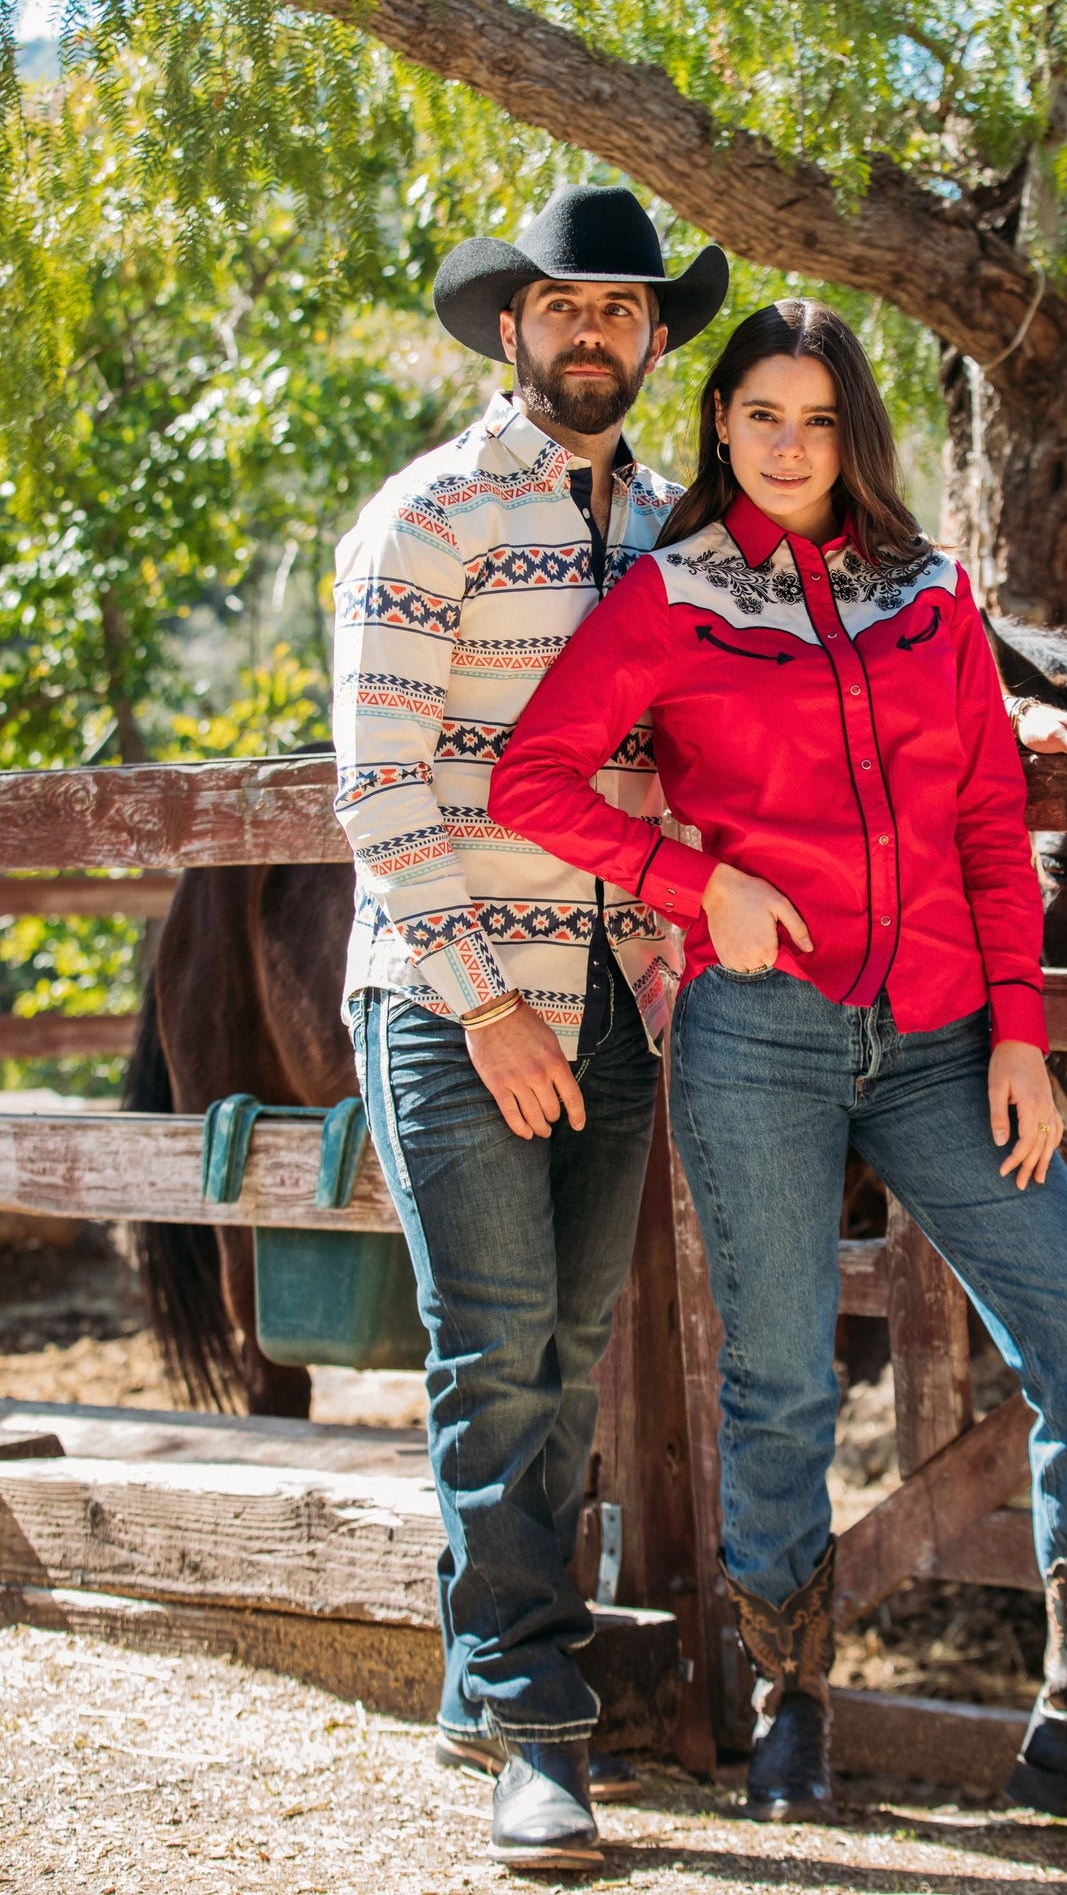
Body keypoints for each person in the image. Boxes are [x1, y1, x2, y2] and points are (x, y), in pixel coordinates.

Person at [489, 299, 1067, 1860]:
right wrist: (692, 887)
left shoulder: (932, 596)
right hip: (759, 1040)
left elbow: (978, 819)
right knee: (781, 1382)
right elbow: (532, 776)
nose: (787, 445)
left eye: (818, 420)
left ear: (855, 437)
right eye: (759, 415)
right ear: (722, 428)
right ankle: (787, 1714)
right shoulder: (665, 598)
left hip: (949, 1044)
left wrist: (1022, 1031)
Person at [331, 183, 729, 1870]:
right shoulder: (425, 519)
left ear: (651, 339)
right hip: (450, 990)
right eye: (566, 306)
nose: (594, 334)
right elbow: (379, 784)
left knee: (566, 1349)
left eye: (624, 311)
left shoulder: (668, 538)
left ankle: (478, 1680)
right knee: (495, 1345)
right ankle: (538, 1724)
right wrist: (485, 1004)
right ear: (511, 327)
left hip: (620, 989)